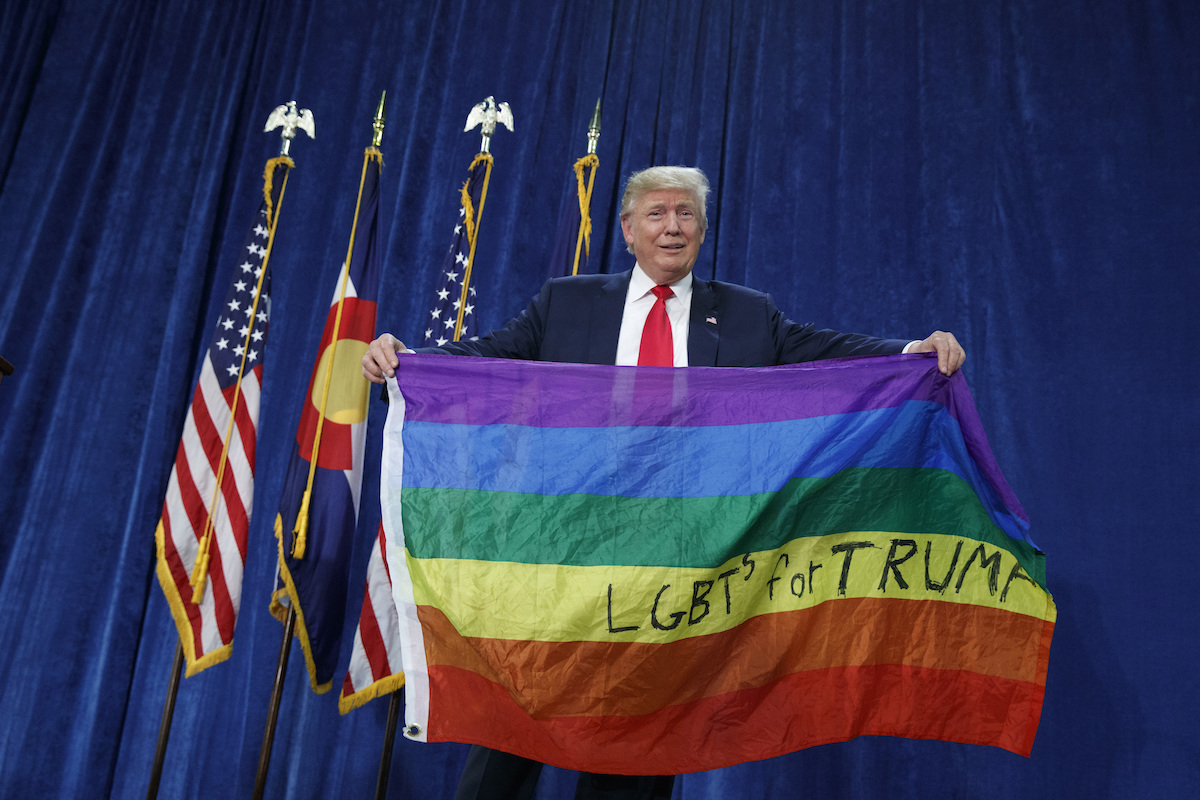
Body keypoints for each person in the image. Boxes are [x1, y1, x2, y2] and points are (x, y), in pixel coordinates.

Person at [362, 166, 965, 800]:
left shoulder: (744, 314)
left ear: (702, 231)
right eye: (656, 213)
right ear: (628, 230)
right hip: (564, 551)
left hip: (676, 564)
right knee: (513, 738)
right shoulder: (564, 304)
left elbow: (823, 351)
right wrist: (409, 365)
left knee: (638, 744)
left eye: (686, 215)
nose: (672, 226)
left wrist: (909, 354)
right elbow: (491, 358)